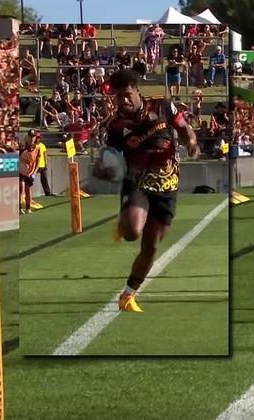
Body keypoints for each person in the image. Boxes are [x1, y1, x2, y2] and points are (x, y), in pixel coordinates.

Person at [93, 69, 200, 313]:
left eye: (127, 95)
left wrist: (191, 142)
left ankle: (128, 295)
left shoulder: (163, 107)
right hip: (137, 182)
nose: (124, 101)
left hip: (168, 183)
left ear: (136, 91)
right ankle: (125, 223)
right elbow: (111, 159)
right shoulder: (116, 125)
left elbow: (184, 129)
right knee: (132, 232)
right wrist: (104, 169)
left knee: (151, 246)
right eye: (118, 97)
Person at [19, 134, 40, 214]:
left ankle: (28, 207)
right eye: (30, 136)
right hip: (21, 170)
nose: (31, 138)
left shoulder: (37, 148)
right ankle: (20, 208)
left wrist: (34, 172)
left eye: (33, 137)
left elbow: (37, 161)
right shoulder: (22, 146)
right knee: (21, 188)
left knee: (28, 190)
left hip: (30, 172)